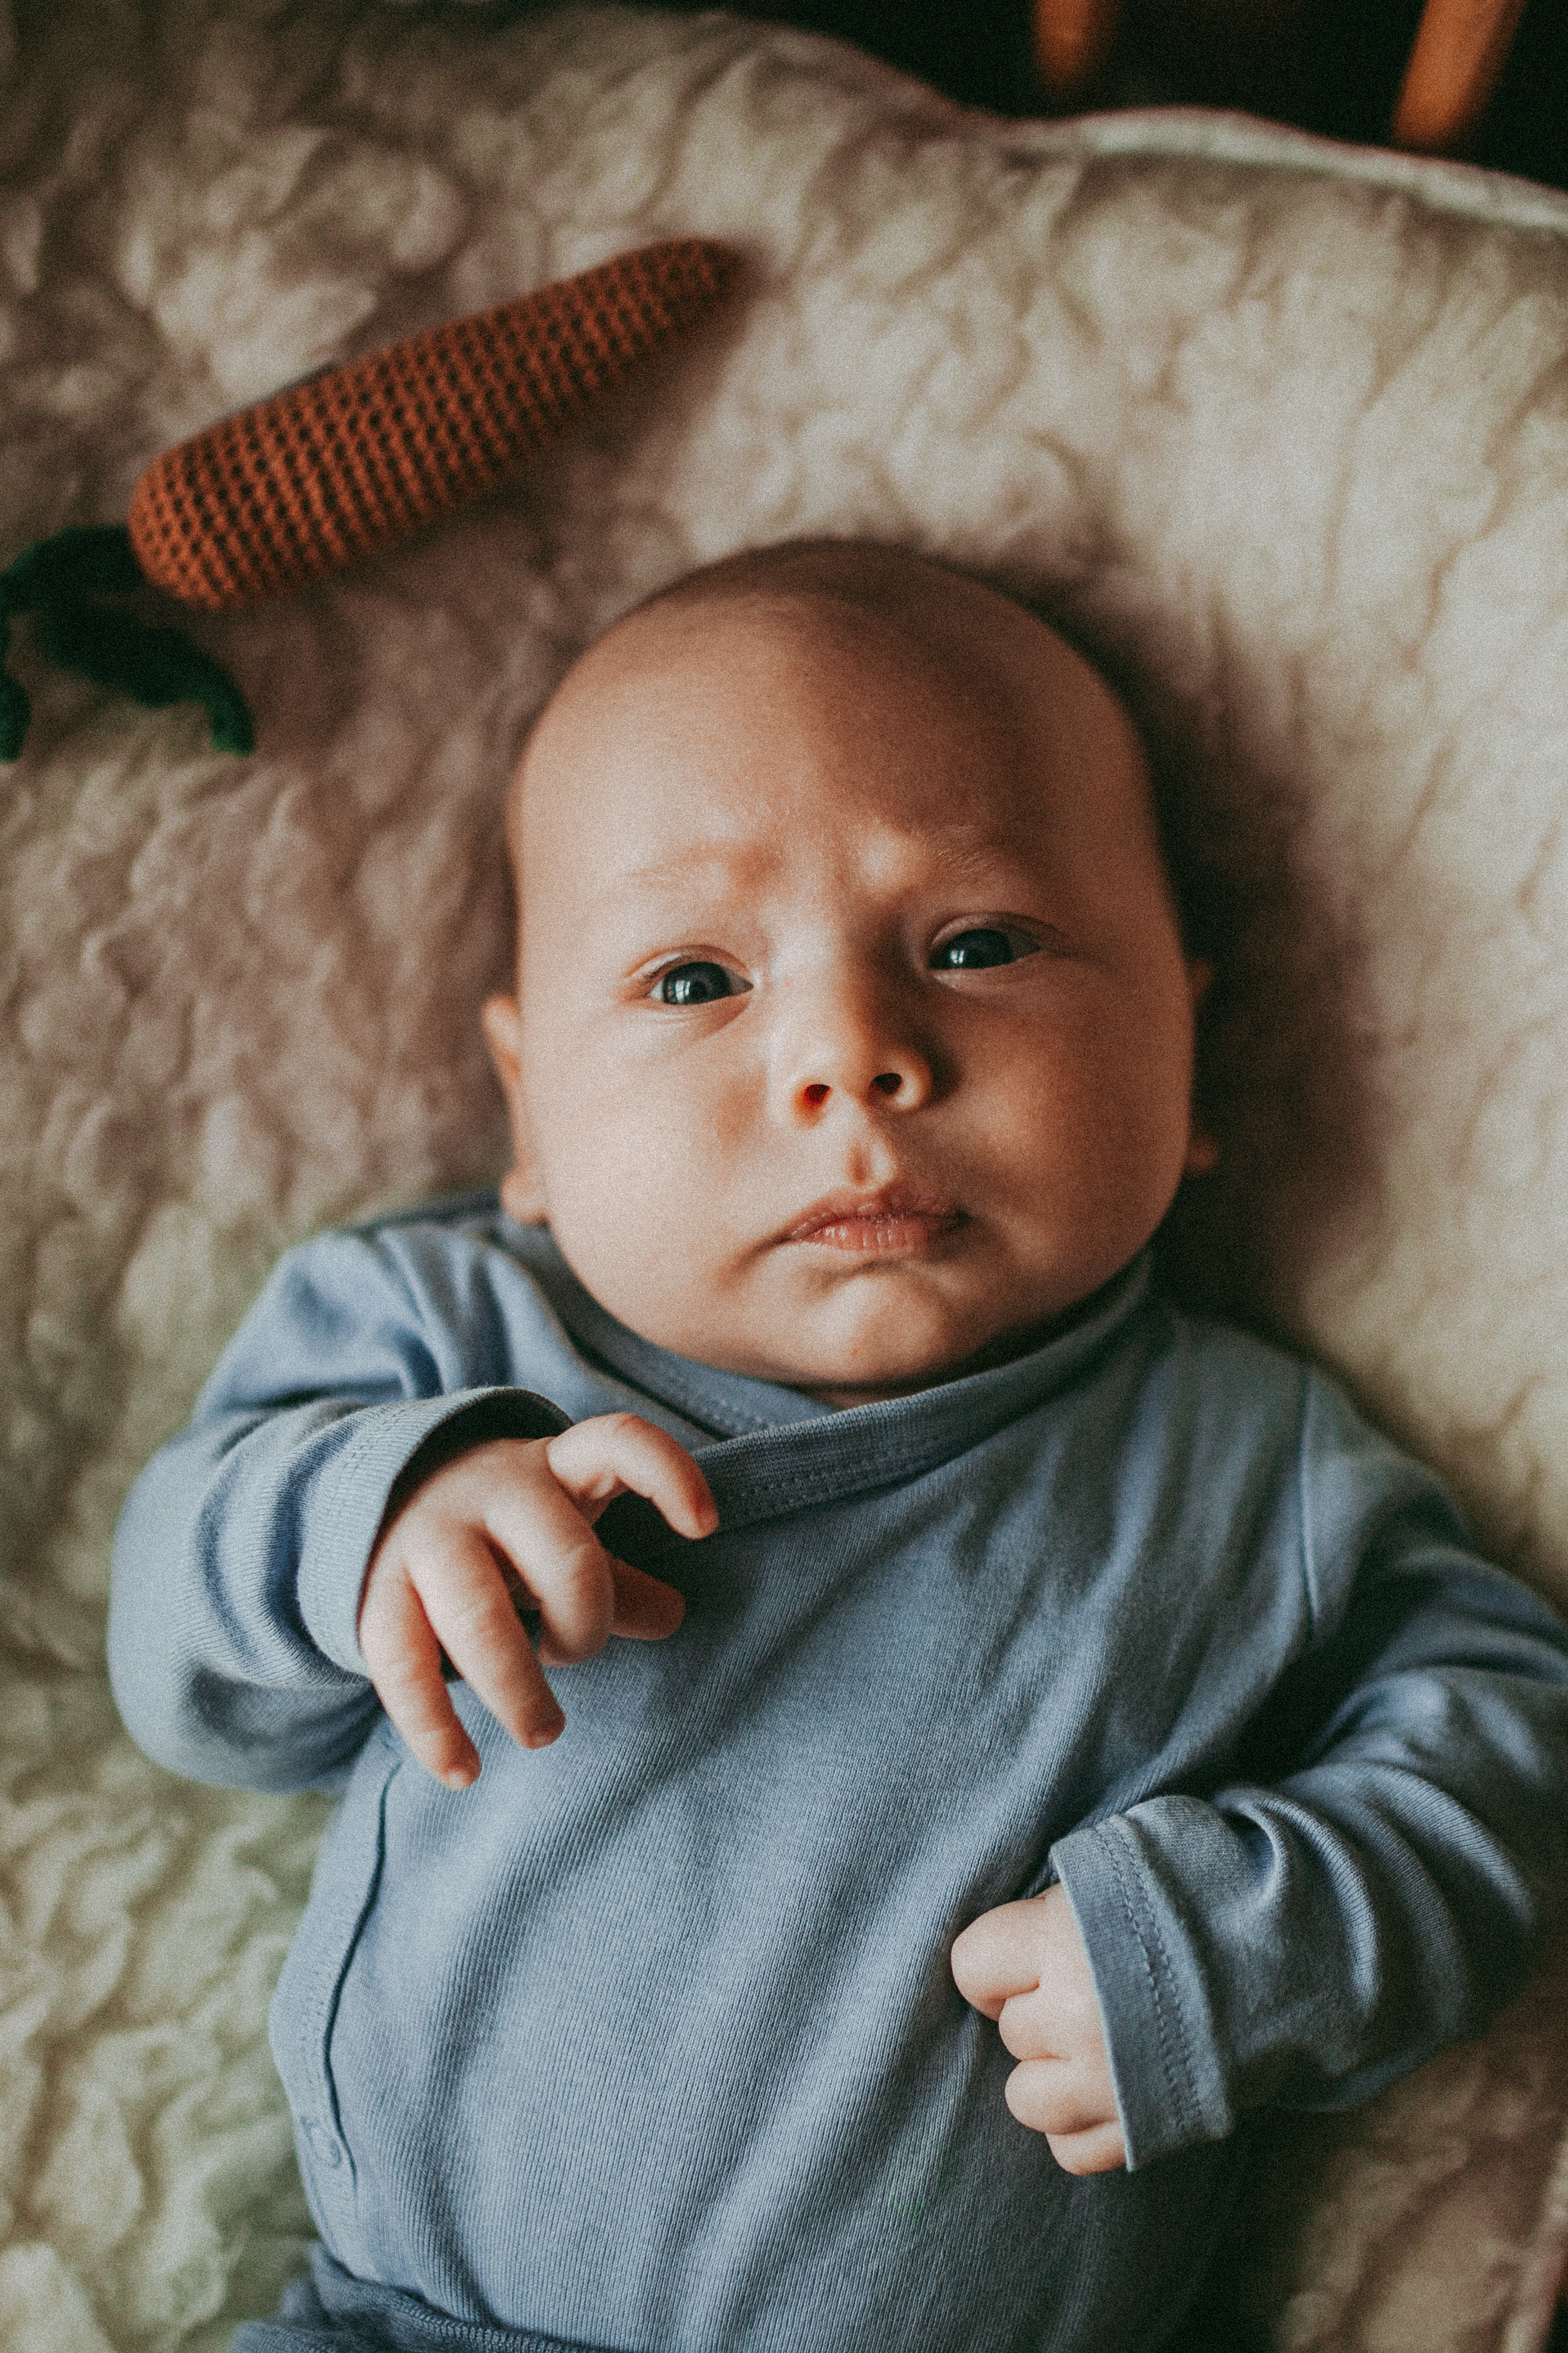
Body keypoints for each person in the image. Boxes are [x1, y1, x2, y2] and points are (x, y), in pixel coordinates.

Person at [109, 541, 1568, 2353]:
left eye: (974, 944)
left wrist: (1240, 1947)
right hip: (403, 2326)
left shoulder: (1247, 1470)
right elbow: (178, 1654)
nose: (851, 1054)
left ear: (1193, 1041)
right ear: (530, 1113)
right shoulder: (437, 1347)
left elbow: (1508, 1763)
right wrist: (378, 1518)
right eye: (693, 980)